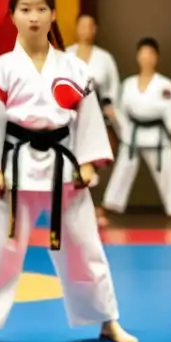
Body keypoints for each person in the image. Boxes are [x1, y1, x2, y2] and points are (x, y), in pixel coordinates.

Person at [0, 0, 136, 342]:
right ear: (13, 16)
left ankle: (106, 320)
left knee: (85, 247)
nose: (33, 17)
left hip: (64, 169)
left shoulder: (75, 68)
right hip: (13, 171)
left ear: (52, 15)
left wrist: (88, 163)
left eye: (40, 9)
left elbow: (88, 118)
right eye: (25, 9)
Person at [101, 37, 171, 228]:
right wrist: (120, 124)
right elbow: (120, 109)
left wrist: (168, 129)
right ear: (138, 57)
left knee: (169, 171)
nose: (146, 58)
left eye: (150, 54)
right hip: (133, 134)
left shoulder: (165, 86)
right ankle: (108, 207)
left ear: (156, 58)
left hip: (158, 135)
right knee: (122, 170)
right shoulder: (127, 84)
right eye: (143, 53)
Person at [66, 14, 121, 228]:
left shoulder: (104, 58)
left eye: (90, 26)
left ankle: (96, 208)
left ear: (95, 29)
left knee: (96, 160)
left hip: (98, 113)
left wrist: (111, 112)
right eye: (82, 25)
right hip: (70, 114)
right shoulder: (66, 54)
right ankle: (70, 208)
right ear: (76, 28)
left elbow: (114, 88)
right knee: (72, 159)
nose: (86, 30)